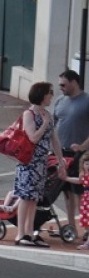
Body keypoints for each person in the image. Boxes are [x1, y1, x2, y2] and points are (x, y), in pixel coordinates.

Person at [12, 81, 66, 247]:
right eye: (50, 92)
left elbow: (54, 140)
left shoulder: (47, 115)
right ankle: (21, 234)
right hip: (28, 162)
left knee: (34, 198)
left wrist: (60, 160)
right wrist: (43, 124)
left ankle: (30, 233)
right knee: (25, 196)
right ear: (42, 95)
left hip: (41, 163)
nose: (52, 95)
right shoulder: (29, 114)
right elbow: (33, 137)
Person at [53, 69, 89, 241]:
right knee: (66, 191)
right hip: (62, 153)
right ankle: (71, 226)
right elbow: (54, 125)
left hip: (81, 155)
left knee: (81, 191)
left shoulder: (87, 101)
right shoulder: (60, 101)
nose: (61, 88)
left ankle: (86, 226)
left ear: (73, 82)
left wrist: (83, 146)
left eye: (63, 84)